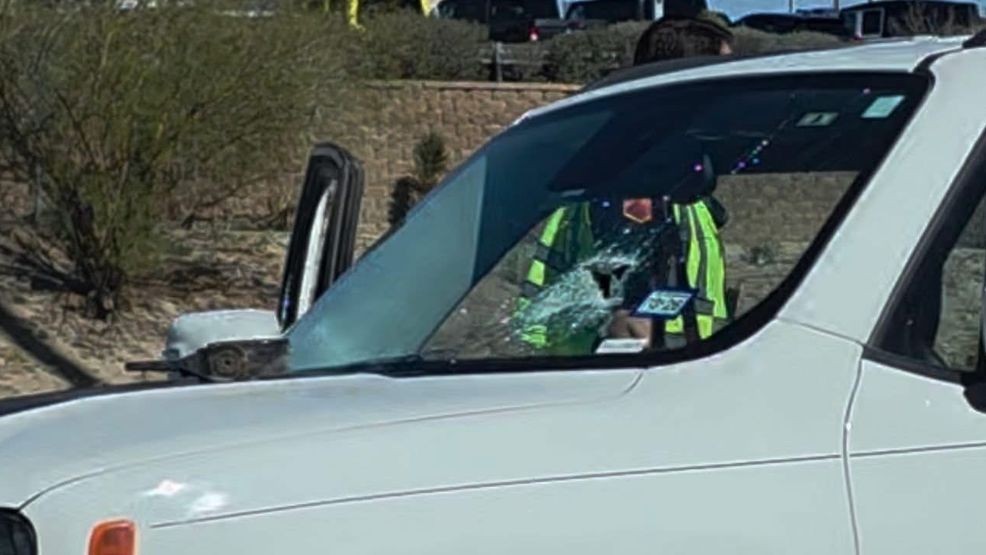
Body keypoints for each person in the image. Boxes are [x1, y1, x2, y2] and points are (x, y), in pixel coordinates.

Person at [514, 11, 734, 354]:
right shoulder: (640, 177)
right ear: (693, 83)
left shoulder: (643, 163)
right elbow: (627, 317)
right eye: (723, 75)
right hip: (651, 372)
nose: (730, 92)